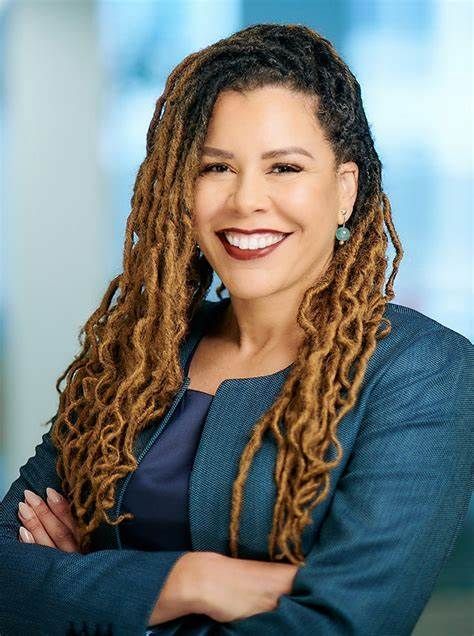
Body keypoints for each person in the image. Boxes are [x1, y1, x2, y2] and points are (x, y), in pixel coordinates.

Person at [0, 22, 472, 636]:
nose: (247, 200)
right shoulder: (138, 354)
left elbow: (344, 624)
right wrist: (194, 581)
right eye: (216, 167)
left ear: (345, 191)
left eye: (284, 168)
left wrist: (90, 591)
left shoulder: (422, 372)